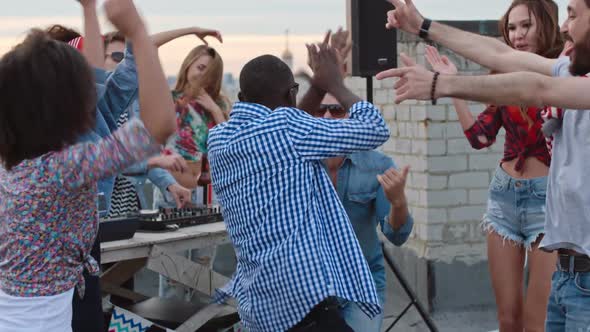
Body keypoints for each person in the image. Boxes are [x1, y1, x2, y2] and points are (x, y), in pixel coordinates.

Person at [377, 0, 590, 330]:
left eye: (573, 15)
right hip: (566, 264)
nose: (564, 26)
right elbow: (500, 56)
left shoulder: (569, 80)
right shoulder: (569, 71)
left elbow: (536, 88)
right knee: (509, 320)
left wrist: (440, 84)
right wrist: (423, 25)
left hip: (580, 270)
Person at [0, 2, 176, 332]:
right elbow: (159, 125)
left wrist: (90, 9)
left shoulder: (16, 164)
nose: (91, 87)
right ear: (64, 102)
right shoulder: (60, 170)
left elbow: (96, 75)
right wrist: (137, 32)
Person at [208, 36, 389, 331]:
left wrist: (316, 88)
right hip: (304, 297)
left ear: (241, 97)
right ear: (292, 93)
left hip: (261, 302)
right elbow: (375, 128)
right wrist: (335, 85)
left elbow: (286, 131)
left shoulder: (218, 140)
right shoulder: (289, 129)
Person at [419, 2, 562, 330]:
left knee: (537, 322)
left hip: (549, 202)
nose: (518, 35)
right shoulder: (500, 77)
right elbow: (480, 137)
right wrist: (452, 87)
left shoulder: (561, 71)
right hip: (504, 199)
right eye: (512, 28)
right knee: (508, 320)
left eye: (526, 25)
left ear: (546, 24)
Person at [297, 30, 414, 332]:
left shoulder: (376, 164)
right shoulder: (297, 163)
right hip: (309, 284)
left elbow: (397, 235)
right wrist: (325, 76)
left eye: (336, 110)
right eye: (319, 110)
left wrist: (399, 202)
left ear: (350, 117)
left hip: (360, 281)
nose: (326, 118)